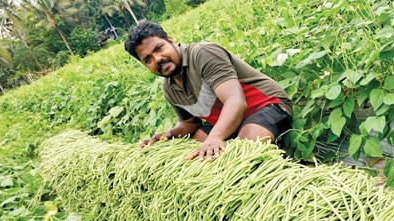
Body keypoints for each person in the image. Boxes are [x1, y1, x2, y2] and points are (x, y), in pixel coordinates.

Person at [124, 20, 292, 159]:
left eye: (159, 48)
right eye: (148, 59)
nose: (158, 59)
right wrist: (167, 135)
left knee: (245, 150)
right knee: (193, 150)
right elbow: (189, 123)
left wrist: (215, 137)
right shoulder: (169, 88)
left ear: (171, 40)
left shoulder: (202, 54)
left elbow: (235, 101)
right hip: (229, 120)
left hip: (267, 105)